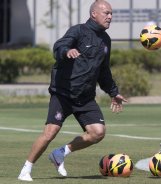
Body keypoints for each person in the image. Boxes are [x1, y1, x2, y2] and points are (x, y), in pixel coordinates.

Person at [18, 0, 127, 181]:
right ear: (94, 14)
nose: (110, 16)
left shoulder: (106, 40)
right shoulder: (78, 31)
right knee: (50, 133)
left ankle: (60, 153)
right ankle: (26, 169)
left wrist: (113, 92)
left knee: (98, 132)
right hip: (63, 94)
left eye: (111, 13)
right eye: (106, 13)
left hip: (85, 97)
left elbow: (103, 71)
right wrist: (66, 51)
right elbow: (59, 46)